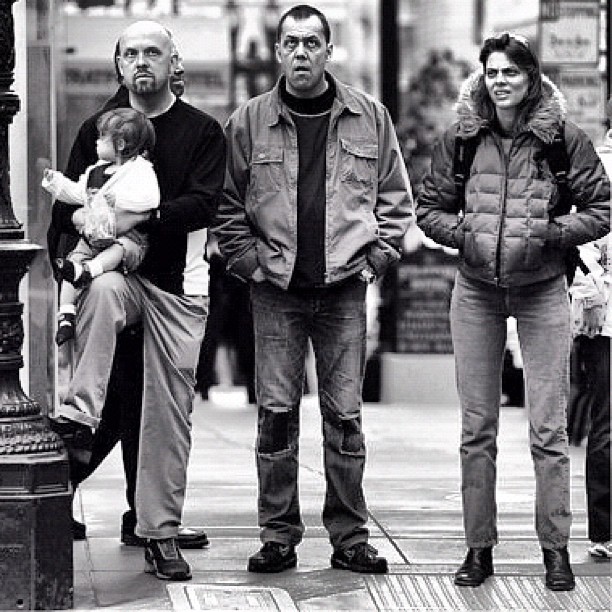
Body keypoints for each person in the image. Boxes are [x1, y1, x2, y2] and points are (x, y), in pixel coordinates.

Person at [214, 4, 413, 575]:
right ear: (278, 51)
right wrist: (251, 264)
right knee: (276, 415)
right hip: (275, 291)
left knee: (344, 416)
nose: (301, 53)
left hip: (343, 291)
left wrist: (374, 259)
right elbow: (227, 206)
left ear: (329, 50)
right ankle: (278, 535)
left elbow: (395, 199)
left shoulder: (369, 117)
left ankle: (350, 536)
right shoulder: (249, 121)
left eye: (312, 43)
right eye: (291, 43)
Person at [416, 32, 610, 591]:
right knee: (477, 429)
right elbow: (429, 208)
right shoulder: (460, 139)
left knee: (549, 429)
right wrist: (467, 236)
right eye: (492, 72)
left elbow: (603, 205)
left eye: (511, 73)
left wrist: (551, 233)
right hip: (475, 290)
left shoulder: (561, 140)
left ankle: (556, 550)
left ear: (530, 79)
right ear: (482, 78)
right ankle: (479, 549)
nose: (500, 81)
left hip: (542, 288)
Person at [46, 20, 226, 581]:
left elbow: (203, 205)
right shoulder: (95, 129)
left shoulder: (201, 131)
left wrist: (139, 220)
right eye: (130, 53)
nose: (141, 60)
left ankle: (159, 532)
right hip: (112, 281)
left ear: (175, 63)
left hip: (176, 286)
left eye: (154, 51)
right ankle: (77, 414)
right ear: (117, 64)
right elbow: (63, 215)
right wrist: (71, 251)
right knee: (100, 287)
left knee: (165, 415)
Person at [43, 107, 159, 347]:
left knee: (120, 249)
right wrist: (56, 183)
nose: (96, 142)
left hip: (128, 236)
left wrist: (117, 202)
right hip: (93, 237)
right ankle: (66, 313)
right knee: (70, 265)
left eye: (101, 137)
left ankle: (91, 270)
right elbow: (77, 194)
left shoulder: (140, 170)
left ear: (119, 144)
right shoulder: (93, 171)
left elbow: (150, 200)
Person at [568, 98, 612, 559]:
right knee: (608, 424)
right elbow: (581, 243)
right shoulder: (597, 168)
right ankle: (604, 530)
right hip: (607, 319)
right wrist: (590, 294)